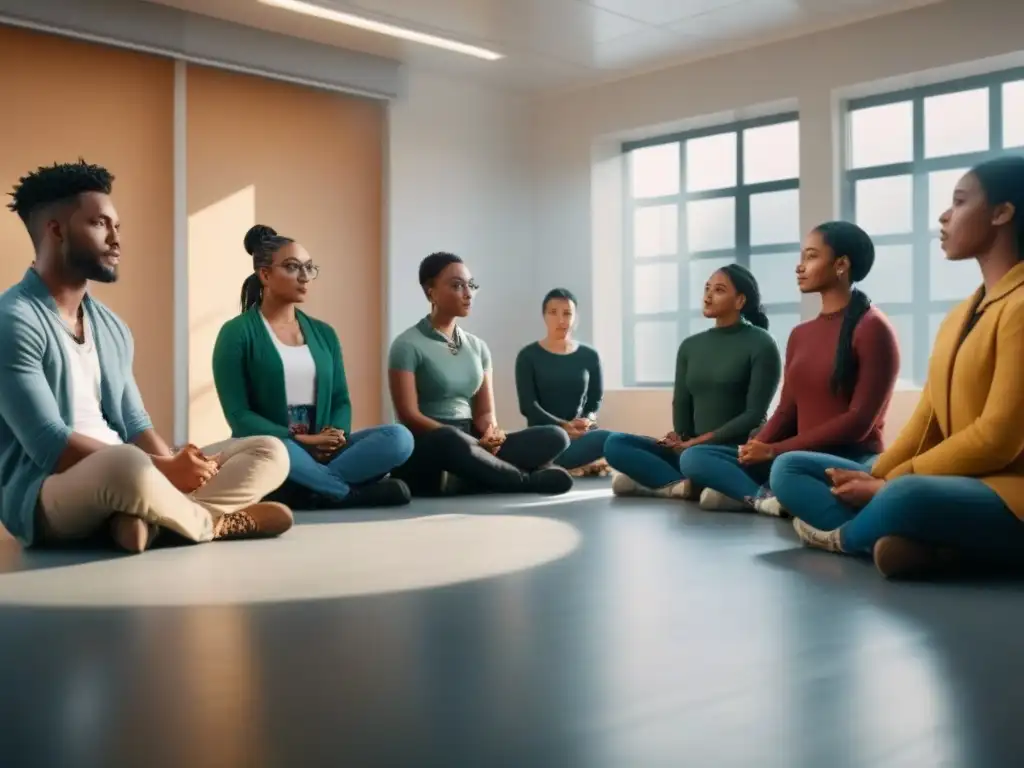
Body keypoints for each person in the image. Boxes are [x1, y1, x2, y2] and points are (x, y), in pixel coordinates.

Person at [0, 160, 293, 553]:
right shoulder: (13, 320)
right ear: (56, 230)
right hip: (49, 492)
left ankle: (148, 523)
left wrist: (177, 465)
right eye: (100, 224)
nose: (116, 239)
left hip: (133, 472)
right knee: (125, 466)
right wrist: (163, 469)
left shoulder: (112, 327)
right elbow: (50, 446)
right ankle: (208, 523)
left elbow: (135, 423)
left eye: (116, 227)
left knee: (269, 450)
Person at [774, 157, 1024, 579]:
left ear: (1002, 212)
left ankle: (846, 538)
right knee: (791, 467)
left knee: (907, 494)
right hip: (950, 482)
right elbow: (927, 423)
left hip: (1007, 489)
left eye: (960, 202)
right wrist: (879, 472)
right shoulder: (961, 315)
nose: (944, 215)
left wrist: (892, 482)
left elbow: (997, 440)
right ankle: (933, 548)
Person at [679, 221, 899, 514]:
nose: (800, 266)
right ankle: (764, 499)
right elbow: (786, 410)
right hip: (793, 455)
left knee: (785, 466)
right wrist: (756, 446)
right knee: (695, 457)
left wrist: (775, 450)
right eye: (802, 257)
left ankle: (765, 494)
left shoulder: (873, 328)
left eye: (811, 256)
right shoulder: (800, 334)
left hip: (849, 460)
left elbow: (858, 423)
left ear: (841, 264)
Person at [212, 225, 414, 509]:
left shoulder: (324, 333)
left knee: (400, 437)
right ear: (265, 274)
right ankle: (345, 493)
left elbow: (340, 399)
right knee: (280, 450)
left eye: (309, 268)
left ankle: (312, 489)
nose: (305, 277)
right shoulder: (236, 333)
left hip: (323, 449)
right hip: (273, 446)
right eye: (293, 267)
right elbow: (238, 415)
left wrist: (334, 437)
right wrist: (303, 440)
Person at [389, 252, 573, 496]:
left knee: (555, 436)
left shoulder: (478, 347)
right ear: (430, 292)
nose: (468, 293)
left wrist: (490, 436)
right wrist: (468, 443)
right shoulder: (407, 344)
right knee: (450, 440)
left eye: (471, 285)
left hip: (471, 438)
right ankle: (524, 481)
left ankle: (473, 477)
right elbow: (408, 415)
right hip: (432, 442)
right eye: (457, 286)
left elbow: (485, 413)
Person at [605, 265, 781, 498]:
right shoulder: (690, 346)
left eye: (718, 290)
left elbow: (753, 415)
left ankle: (752, 496)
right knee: (614, 443)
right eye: (707, 288)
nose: (708, 295)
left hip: (731, 452)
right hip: (692, 449)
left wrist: (697, 443)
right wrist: (680, 438)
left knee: (694, 458)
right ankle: (686, 487)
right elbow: (682, 402)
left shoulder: (762, 343)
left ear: (739, 301)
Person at [514, 288, 611, 477]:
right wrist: (563, 426)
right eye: (553, 313)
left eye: (567, 313)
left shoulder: (590, 356)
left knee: (611, 440)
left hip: (579, 436)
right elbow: (528, 406)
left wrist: (587, 421)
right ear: (544, 316)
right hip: (545, 437)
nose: (561, 320)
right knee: (554, 438)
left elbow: (594, 401)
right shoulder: (528, 356)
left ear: (576, 318)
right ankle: (561, 465)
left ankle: (559, 466)